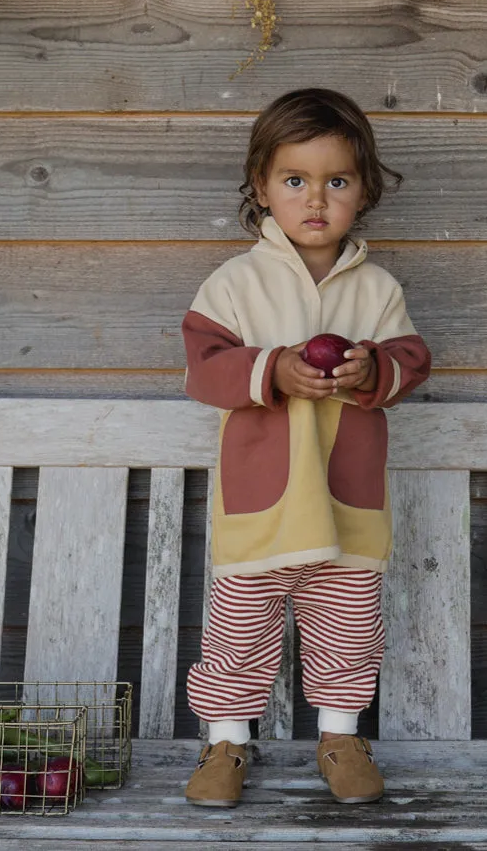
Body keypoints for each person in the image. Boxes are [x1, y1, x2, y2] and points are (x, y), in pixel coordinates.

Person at [181, 87, 431, 807]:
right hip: (262, 504)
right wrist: (273, 369)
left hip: (346, 500)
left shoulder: (376, 290)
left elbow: (411, 360)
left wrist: (372, 370)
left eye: (337, 181)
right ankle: (226, 740)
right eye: (295, 180)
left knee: (348, 627)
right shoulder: (234, 285)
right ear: (262, 187)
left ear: (364, 192)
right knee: (238, 632)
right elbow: (205, 369)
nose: (315, 199)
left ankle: (341, 736)